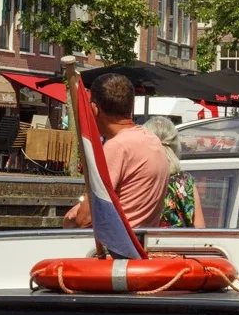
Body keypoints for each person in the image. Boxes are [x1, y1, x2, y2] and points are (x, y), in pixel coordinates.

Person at [65, 73, 170, 230]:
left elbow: (84, 219)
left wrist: (72, 216)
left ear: (94, 109)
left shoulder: (118, 147)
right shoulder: (153, 141)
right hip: (141, 240)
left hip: (117, 242)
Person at [143, 116, 205, 228]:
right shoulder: (185, 180)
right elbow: (200, 228)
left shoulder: (139, 178)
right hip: (179, 239)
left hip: (143, 238)